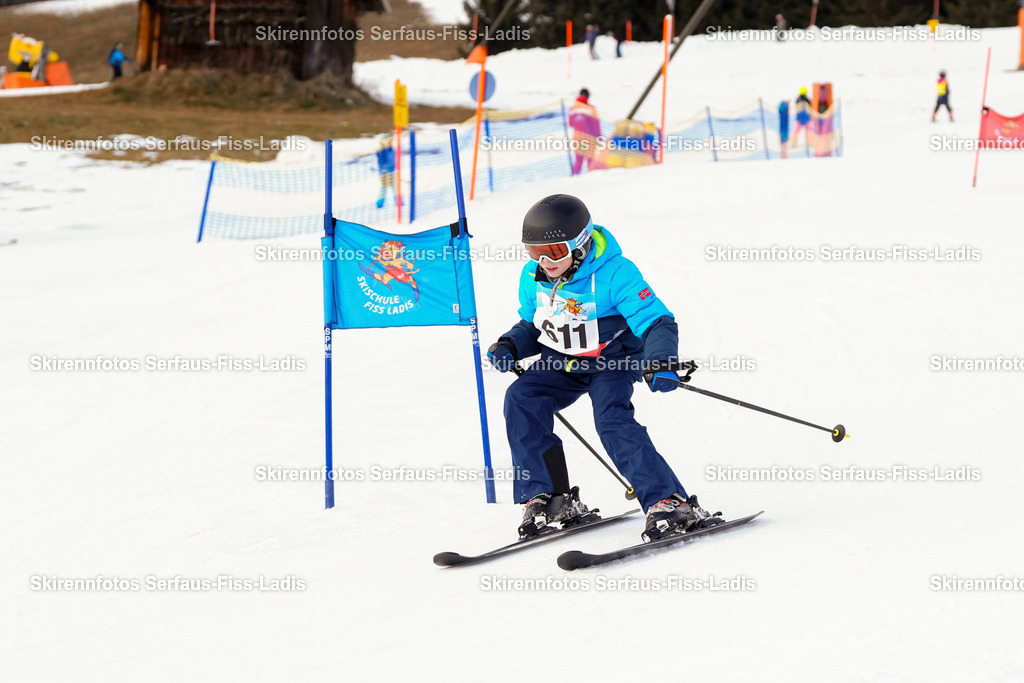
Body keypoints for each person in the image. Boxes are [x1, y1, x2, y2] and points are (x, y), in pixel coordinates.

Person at [487, 194, 713, 542]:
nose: (545, 261)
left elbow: (656, 321)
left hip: (612, 361)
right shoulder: (534, 277)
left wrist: (660, 361)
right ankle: (549, 498)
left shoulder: (615, 272)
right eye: (534, 253)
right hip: (562, 360)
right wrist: (511, 344)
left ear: (579, 244)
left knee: (611, 419)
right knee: (521, 398)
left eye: (555, 252)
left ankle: (668, 501)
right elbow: (534, 323)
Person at [568, 88, 603, 175]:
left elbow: (570, 123)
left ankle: (573, 178)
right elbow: (596, 125)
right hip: (589, 139)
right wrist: (599, 137)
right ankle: (590, 178)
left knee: (578, 161)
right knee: (590, 161)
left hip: (577, 138)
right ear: (588, 97)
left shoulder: (572, 109)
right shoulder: (591, 109)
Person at [375, 135, 396, 209]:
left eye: (391, 140)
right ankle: (379, 203)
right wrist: (384, 170)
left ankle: (398, 202)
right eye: (389, 140)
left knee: (395, 187)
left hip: (392, 171)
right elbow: (381, 162)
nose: (391, 142)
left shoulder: (391, 149)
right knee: (384, 188)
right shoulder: (382, 151)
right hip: (385, 173)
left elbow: (393, 160)